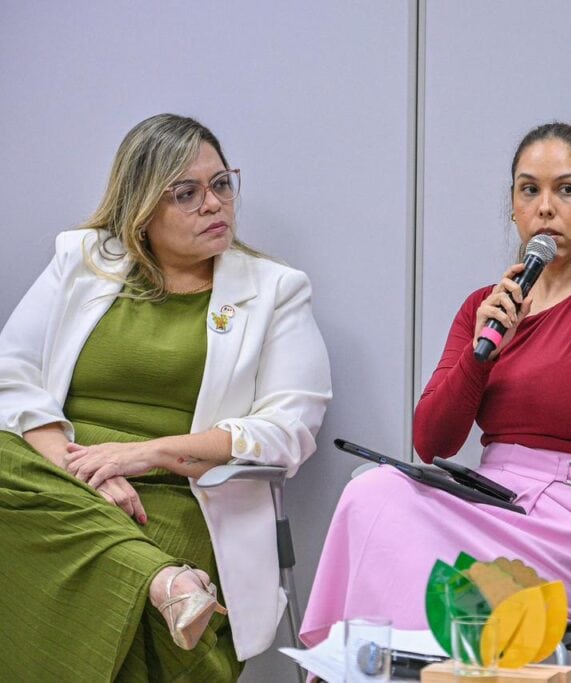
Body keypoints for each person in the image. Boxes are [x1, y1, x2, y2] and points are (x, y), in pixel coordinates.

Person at [301, 122, 571, 645]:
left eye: (566, 189)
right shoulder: (485, 307)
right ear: (513, 204)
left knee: (426, 576)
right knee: (375, 490)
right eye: (530, 190)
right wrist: (481, 357)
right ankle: (367, 669)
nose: (545, 207)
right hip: (490, 503)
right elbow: (431, 442)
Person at [0, 114, 331, 680]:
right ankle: (161, 580)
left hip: (179, 497)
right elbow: (12, 373)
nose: (214, 204)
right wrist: (88, 472)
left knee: (97, 590)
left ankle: (158, 577)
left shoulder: (274, 290)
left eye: (222, 184)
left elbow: (290, 426)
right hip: (56, 474)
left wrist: (144, 454)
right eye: (187, 193)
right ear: (142, 207)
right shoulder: (82, 261)